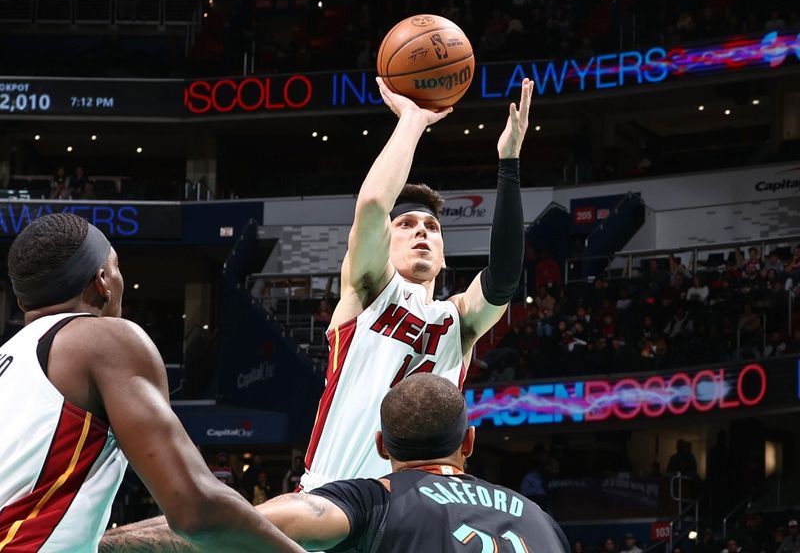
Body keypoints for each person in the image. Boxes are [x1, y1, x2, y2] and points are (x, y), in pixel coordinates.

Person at [0, 213, 302, 553]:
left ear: (25, 302)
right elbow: (198, 509)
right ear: (103, 280)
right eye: (116, 266)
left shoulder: (10, 358)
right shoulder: (104, 340)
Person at [299, 77, 533, 491]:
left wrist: (509, 163)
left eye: (432, 227)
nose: (422, 231)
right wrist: (412, 118)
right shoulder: (367, 290)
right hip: (331, 497)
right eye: (406, 224)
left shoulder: (457, 319)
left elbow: (504, 280)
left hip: (409, 515)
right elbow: (373, 205)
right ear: (385, 244)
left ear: (443, 256)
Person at [99, 374, 570, 553]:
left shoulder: (374, 499)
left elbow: (221, 526)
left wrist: (97, 543)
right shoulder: (543, 522)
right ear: (469, 440)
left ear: (382, 446)